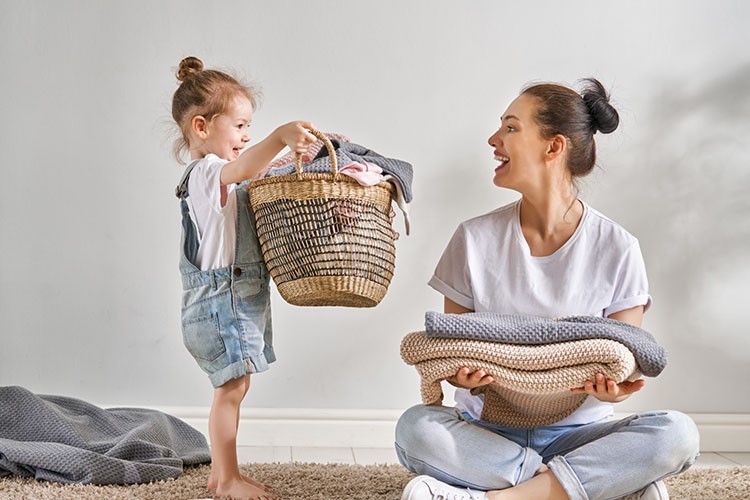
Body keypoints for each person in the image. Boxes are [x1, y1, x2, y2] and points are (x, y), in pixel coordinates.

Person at [395, 79, 700, 500]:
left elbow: (626, 359)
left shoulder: (617, 247)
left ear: (553, 147)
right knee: (415, 428)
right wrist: (462, 378)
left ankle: (496, 496)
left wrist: (618, 383)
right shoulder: (473, 239)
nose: (493, 139)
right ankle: (590, 487)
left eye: (511, 128)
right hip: (489, 433)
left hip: (581, 433)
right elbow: (455, 348)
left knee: (677, 433)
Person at [170, 56, 316, 500]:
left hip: (234, 298)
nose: (247, 135)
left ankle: (221, 474)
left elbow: (252, 175)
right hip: (219, 303)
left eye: (250, 126)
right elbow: (246, 167)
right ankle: (228, 479)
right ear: (201, 127)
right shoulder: (205, 173)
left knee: (235, 386)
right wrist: (278, 137)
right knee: (230, 389)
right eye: (239, 125)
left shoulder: (223, 181)